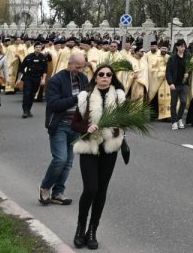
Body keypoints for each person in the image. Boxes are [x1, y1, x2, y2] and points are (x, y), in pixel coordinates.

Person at [72, 63, 126, 250]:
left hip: (109, 149)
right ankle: (80, 229)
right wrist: (86, 128)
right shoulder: (84, 97)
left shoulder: (119, 98)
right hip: (89, 147)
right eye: (101, 74)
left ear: (112, 77)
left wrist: (124, 143)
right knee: (90, 188)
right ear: (95, 77)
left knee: (101, 190)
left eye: (108, 74)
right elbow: (74, 124)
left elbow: (123, 123)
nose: (104, 77)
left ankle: (92, 231)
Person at [41, 52, 88, 207]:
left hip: (75, 126)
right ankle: (45, 187)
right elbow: (54, 104)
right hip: (59, 125)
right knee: (60, 159)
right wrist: (76, 98)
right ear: (69, 63)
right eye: (77, 66)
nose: (79, 70)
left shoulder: (83, 79)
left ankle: (58, 193)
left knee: (68, 162)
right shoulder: (56, 80)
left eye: (82, 67)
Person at [19, 41, 51, 119]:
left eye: (39, 47)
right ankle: (25, 111)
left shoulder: (43, 58)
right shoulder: (29, 57)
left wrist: (43, 79)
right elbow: (22, 67)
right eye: (36, 47)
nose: (38, 49)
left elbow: (45, 70)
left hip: (37, 78)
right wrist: (19, 78)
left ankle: (29, 109)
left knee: (32, 95)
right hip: (28, 77)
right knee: (26, 94)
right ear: (34, 48)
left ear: (41, 48)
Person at [165, 39, 188, 129]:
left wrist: (187, 74)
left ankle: (179, 119)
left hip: (184, 84)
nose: (183, 48)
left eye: (184, 46)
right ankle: (174, 121)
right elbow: (168, 71)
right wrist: (170, 83)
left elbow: (190, 68)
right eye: (181, 46)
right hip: (175, 84)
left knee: (183, 101)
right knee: (173, 103)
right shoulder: (172, 58)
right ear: (177, 47)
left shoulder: (187, 57)